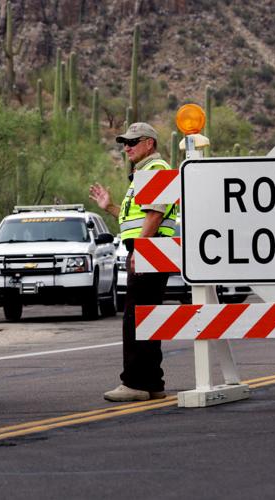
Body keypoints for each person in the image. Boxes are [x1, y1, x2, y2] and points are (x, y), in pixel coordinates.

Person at [89, 122, 178, 402]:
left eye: (132, 142)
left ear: (149, 143)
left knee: (135, 317)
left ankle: (135, 383)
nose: (126, 147)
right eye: (124, 143)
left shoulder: (157, 169)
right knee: (146, 316)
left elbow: (154, 216)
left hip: (150, 249)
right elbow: (137, 218)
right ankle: (152, 383)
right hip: (148, 248)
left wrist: (141, 249)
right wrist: (110, 207)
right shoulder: (143, 174)